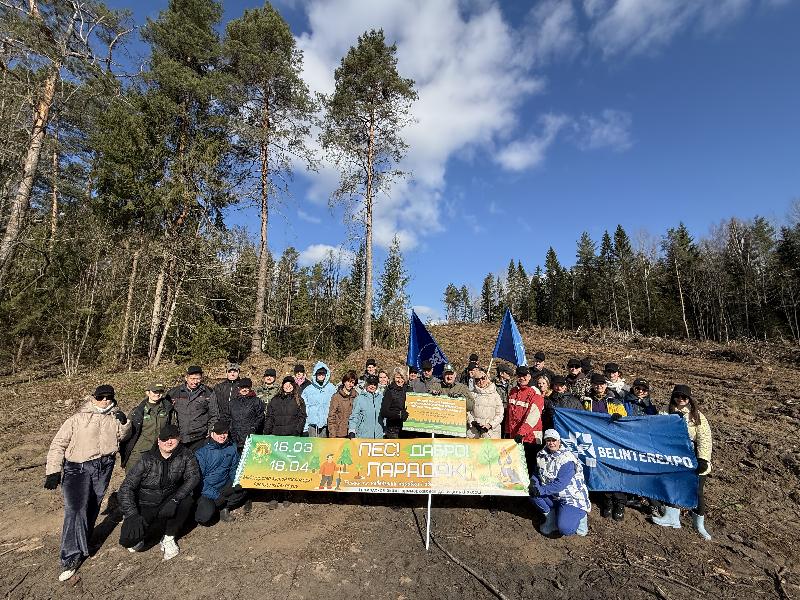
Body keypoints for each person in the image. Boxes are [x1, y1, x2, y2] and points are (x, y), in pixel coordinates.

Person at [45, 384, 132, 581]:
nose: (105, 401)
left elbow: (122, 436)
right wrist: (53, 470)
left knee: (93, 506)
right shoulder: (77, 418)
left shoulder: (114, 417)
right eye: (100, 397)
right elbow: (58, 443)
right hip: (78, 468)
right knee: (76, 509)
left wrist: (125, 423)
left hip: (104, 466)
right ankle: (70, 556)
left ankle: (84, 541)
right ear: (93, 398)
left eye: (108, 397)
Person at [118, 424, 200, 561]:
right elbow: (126, 487)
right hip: (146, 502)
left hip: (169, 499)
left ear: (179, 439)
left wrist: (176, 499)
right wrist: (131, 514)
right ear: (158, 441)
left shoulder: (185, 454)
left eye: (173, 438)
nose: (169, 442)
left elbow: (193, 477)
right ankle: (143, 527)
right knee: (128, 541)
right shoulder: (146, 459)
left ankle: (169, 537)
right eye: (164, 439)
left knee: (187, 501)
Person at [651, 385, 713, 540]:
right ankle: (672, 517)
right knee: (671, 486)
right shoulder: (665, 411)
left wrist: (703, 459)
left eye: (684, 397)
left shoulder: (696, 415)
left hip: (692, 458)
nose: (681, 400)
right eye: (678, 396)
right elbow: (656, 431)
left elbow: (704, 439)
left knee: (697, 491)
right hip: (672, 457)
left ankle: (699, 524)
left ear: (689, 399)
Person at [529, 429, 590, 537]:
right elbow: (537, 472)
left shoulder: (567, 459)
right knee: (531, 492)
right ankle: (551, 519)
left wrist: (540, 490)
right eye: (548, 440)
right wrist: (533, 482)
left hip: (570, 497)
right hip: (553, 494)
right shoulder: (541, 455)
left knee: (565, 529)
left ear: (559, 441)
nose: (551, 443)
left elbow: (560, 484)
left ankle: (581, 516)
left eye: (554, 440)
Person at [194, 420, 246, 525]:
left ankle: (224, 507)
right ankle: (209, 506)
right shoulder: (202, 452)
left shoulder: (231, 447)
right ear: (212, 434)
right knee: (204, 518)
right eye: (218, 433)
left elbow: (233, 468)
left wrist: (236, 482)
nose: (222, 435)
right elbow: (198, 481)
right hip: (206, 489)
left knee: (243, 489)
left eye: (225, 432)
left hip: (223, 485)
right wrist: (215, 496)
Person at [121, 382, 174, 471]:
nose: (157, 394)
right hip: (139, 451)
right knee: (132, 478)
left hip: (159, 450)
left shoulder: (168, 409)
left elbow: (172, 429)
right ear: (147, 393)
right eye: (154, 392)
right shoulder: (137, 411)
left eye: (160, 391)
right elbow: (126, 432)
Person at [168, 365, 219, 451]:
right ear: (186, 378)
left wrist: (210, 432)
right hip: (179, 437)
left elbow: (214, 414)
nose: (195, 382)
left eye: (198, 379)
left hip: (200, 438)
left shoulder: (208, 392)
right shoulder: (174, 393)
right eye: (192, 379)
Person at [505, 366, 545, 472]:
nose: (522, 378)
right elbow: (510, 414)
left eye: (524, 375)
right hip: (515, 436)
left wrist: (522, 432)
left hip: (530, 438)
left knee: (530, 467)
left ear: (529, 376)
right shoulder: (513, 391)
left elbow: (533, 416)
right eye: (519, 376)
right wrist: (508, 432)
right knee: (516, 466)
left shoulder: (535, 393)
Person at [229, 378, 264, 452]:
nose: (244, 389)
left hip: (250, 437)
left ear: (250, 388)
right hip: (235, 437)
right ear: (239, 388)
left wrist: (254, 428)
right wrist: (230, 430)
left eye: (247, 387)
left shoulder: (256, 401)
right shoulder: (232, 402)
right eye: (242, 387)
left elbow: (260, 416)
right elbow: (228, 418)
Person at [467, 366, 503, 438]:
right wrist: (472, 422)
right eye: (477, 379)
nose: (481, 381)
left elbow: (500, 414)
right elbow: (467, 411)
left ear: (487, 379)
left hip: (491, 432)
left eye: (483, 378)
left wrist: (490, 425)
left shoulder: (495, 395)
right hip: (474, 431)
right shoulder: (471, 394)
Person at [302, 362, 336, 437]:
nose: (321, 375)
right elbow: (304, 408)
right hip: (312, 425)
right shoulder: (308, 390)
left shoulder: (332, 388)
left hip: (326, 424)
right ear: (315, 374)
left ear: (326, 374)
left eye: (323, 373)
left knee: (324, 447)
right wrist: (305, 426)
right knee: (314, 446)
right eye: (319, 373)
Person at [327, 370, 358, 438]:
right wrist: (332, 435)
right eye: (348, 382)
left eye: (352, 383)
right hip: (339, 433)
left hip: (353, 433)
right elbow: (331, 417)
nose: (350, 384)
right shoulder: (336, 397)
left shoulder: (356, 396)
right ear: (344, 381)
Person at [381, 368, 409, 438]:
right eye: (397, 377)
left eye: (402, 377)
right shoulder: (389, 391)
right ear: (393, 378)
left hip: (407, 428)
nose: (400, 380)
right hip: (393, 429)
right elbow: (384, 412)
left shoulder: (408, 390)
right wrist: (399, 414)